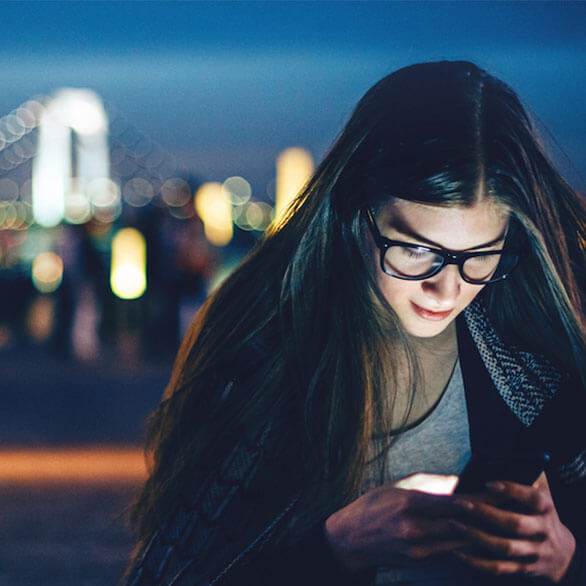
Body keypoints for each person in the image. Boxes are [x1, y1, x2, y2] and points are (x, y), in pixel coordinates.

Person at [124, 61, 586, 585]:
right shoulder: (262, 346)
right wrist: (336, 547)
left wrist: (566, 558)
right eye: (415, 249)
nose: (448, 288)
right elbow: (175, 571)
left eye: (480, 254)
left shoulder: (540, 360)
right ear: (352, 215)